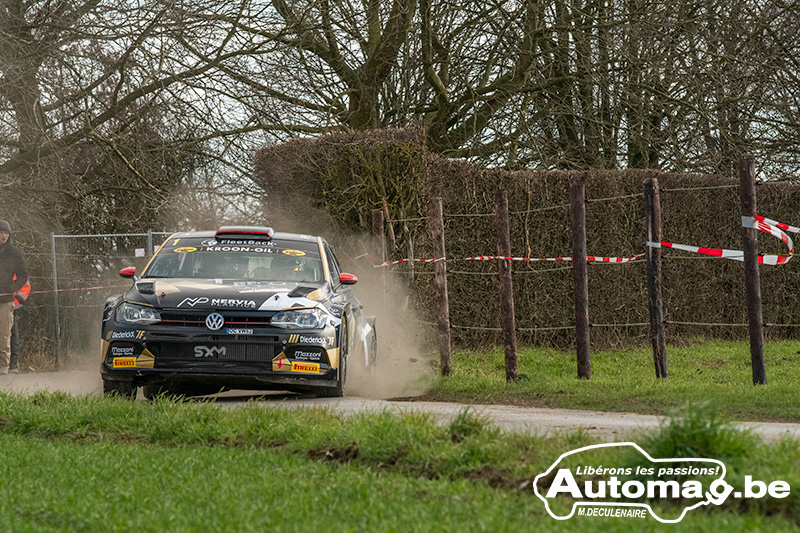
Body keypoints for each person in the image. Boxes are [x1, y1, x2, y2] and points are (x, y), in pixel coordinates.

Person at [0, 221, 28, 375]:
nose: (3, 236)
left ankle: (4, 366)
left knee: (5, 334)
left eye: (6, 233)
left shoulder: (15, 253)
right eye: (1, 233)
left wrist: (12, 288)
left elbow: (23, 275)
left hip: (7, 300)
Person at [9, 276, 30, 374]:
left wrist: (17, 299)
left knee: (13, 336)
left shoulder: (16, 267)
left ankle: (13, 365)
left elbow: (25, 283)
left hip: (12, 307)